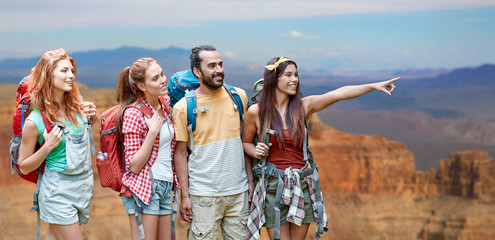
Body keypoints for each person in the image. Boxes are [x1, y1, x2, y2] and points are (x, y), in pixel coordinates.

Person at [243, 56, 401, 240]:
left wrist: (373, 85)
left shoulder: (303, 106)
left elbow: (339, 93)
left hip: (301, 185)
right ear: (274, 78)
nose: (295, 79)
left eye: (296, 75)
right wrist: (254, 151)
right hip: (272, 187)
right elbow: (245, 142)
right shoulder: (256, 112)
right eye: (288, 75)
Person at [173, 45, 254, 240]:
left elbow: (245, 142)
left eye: (220, 64)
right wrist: (185, 196)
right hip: (203, 196)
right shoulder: (184, 107)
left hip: (238, 193)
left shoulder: (239, 97)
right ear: (197, 72)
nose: (219, 70)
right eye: (212, 65)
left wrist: (250, 181)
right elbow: (180, 154)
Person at [18, 48, 98, 240]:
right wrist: (47, 147)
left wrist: (92, 120)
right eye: (64, 71)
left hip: (82, 187)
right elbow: (24, 165)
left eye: (71, 71)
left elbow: (77, 139)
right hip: (57, 192)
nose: (71, 76)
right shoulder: (35, 121)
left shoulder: (76, 109)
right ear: (47, 75)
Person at [116, 57, 177, 240]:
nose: (163, 80)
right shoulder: (133, 113)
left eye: (162, 74)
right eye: (155, 78)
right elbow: (133, 165)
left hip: (166, 185)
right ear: (142, 86)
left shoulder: (165, 104)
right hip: (145, 188)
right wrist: (152, 132)